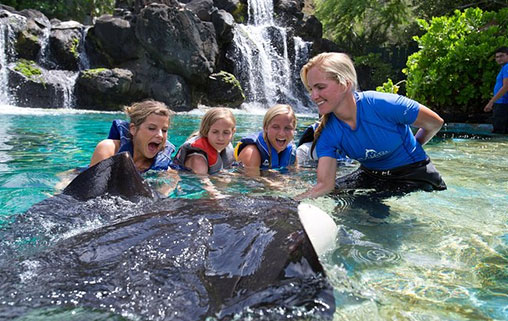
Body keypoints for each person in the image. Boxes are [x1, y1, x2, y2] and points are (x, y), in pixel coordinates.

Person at [295, 52, 446, 200]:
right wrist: (289, 203)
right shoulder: (327, 133)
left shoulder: (382, 105)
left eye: (320, 87)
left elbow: (435, 123)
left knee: (363, 206)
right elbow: (325, 186)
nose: (313, 96)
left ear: (345, 84)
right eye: (310, 89)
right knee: (335, 195)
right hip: (371, 174)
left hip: (413, 174)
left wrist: (413, 145)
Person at [90, 100, 176, 172]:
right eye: (151, 128)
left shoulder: (165, 171)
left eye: (164, 130)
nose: (160, 135)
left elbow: (164, 192)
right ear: (133, 129)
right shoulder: (109, 150)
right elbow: (94, 188)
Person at [235, 104, 297, 175]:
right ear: (265, 128)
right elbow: (252, 182)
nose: (281, 133)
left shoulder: (291, 152)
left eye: (287, 128)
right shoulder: (251, 153)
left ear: (294, 129)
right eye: (275, 127)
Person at [174, 107, 236, 175]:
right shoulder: (197, 160)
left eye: (226, 132)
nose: (220, 138)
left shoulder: (227, 149)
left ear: (233, 132)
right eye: (215, 132)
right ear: (206, 131)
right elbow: (204, 184)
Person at [484, 46, 508, 134]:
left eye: (501, 56)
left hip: (503, 105)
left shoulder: (507, 67)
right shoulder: (504, 68)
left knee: (499, 133)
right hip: (502, 104)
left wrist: (491, 102)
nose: (498, 59)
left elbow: (506, 87)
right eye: (497, 57)